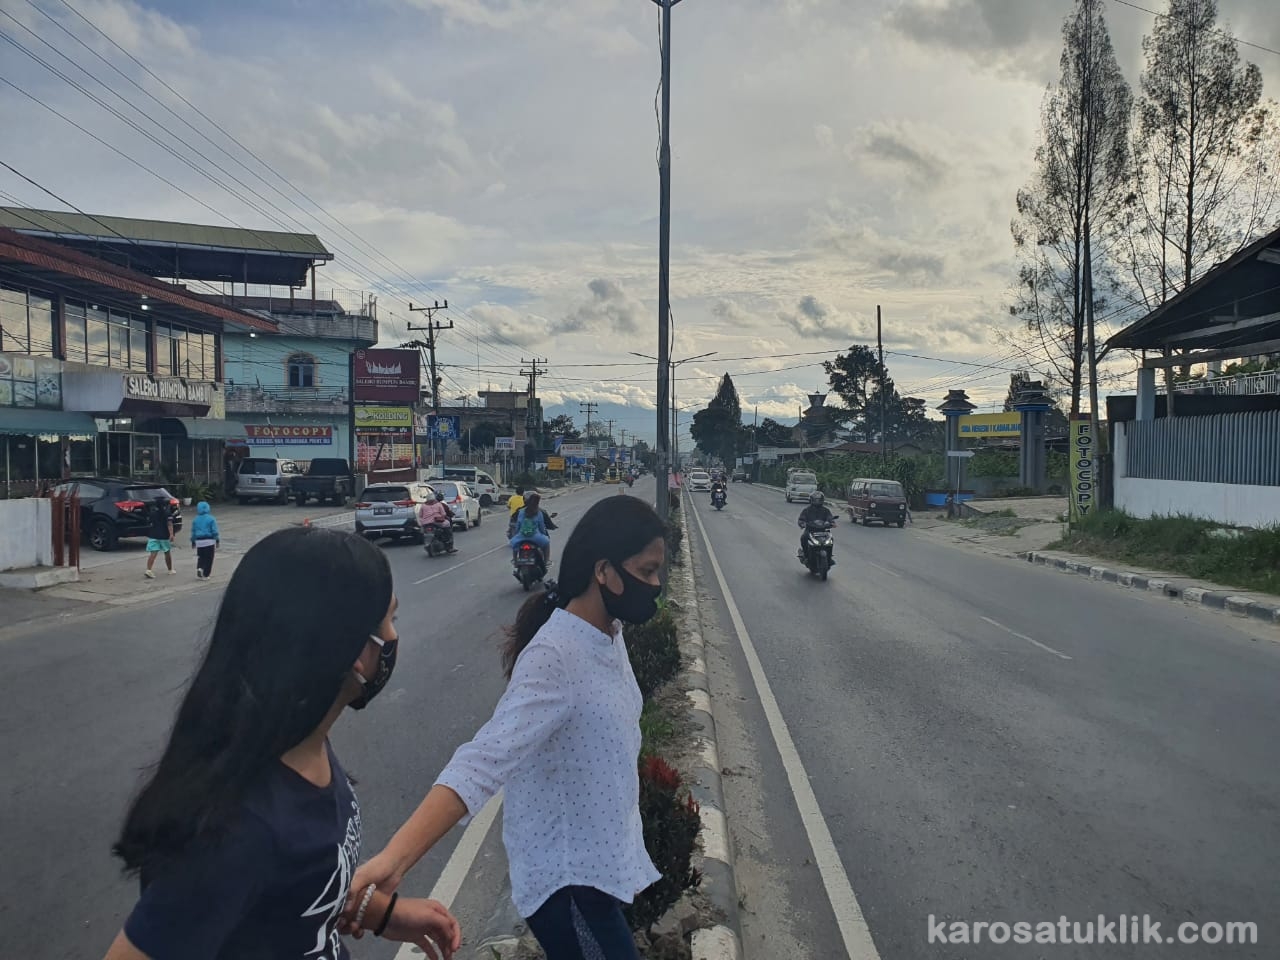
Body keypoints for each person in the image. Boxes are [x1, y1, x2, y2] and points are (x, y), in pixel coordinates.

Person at [102, 526, 461, 960]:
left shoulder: (302, 746)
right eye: (389, 621)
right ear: (351, 649)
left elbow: (294, 891)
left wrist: (381, 914)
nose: (392, 637)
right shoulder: (235, 830)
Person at [347, 496, 667, 960]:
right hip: (569, 886)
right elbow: (482, 762)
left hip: (598, 872)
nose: (655, 585)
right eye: (647, 570)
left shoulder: (608, 635)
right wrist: (396, 859)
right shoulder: (556, 656)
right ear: (604, 571)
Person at [510, 492, 554, 563]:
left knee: (515, 546)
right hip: (535, 537)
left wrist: (517, 534)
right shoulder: (539, 512)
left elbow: (518, 525)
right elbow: (541, 527)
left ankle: (515, 560)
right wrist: (544, 534)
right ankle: (546, 561)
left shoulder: (521, 511)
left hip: (521, 536)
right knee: (546, 542)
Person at [797, 490, 836, 565]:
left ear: (822, 500)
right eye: (815, 500)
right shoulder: (807, 510)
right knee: (803, 538)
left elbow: (829, 517)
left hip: (823, 531)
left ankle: (829, 557)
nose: (817, 501)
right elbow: (801, 518)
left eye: (819, 500)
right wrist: (802, 523)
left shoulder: (826, 510)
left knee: (831, 540)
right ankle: (806, 556)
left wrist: (832, 522)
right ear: (811, 500)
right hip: (810, 530)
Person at [417, 489, 457, 554]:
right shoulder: (438, 504)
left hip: (426, 523)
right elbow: (443, 514)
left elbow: (420, 515)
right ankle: (449, 544)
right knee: (447, 524)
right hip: (437, 522)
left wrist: (423, 521)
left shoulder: (423, 506)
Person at [144, 496, 174, 580]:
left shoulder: (152, 513)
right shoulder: (167, 513)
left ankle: (149, 570)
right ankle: (170, 569)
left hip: (153, 535)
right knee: (167, 552)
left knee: (153, 553)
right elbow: (169, 524)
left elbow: (149, 522)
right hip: (164, 535)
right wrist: (171, 534)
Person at [188, 501, 220, 580]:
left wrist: (193, 541)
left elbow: (193, 531)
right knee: (209, 558)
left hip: (199, 542)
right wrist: (217, 540)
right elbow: (214, 531)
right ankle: (206, 574)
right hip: (209, 541)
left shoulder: (196, 519)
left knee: (201, 557)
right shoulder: (211, 519)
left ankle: (200, 567)